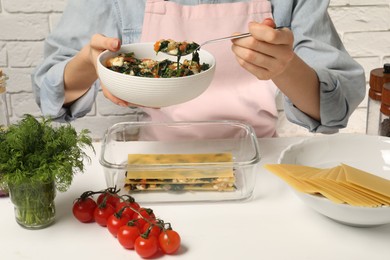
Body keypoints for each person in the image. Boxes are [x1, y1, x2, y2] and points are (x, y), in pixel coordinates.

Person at [32, 0, 365, 137]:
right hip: (154, 161)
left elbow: (337, 108)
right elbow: (48, 89)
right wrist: (92, 65)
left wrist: (284, 66)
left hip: (259, 159)